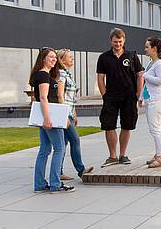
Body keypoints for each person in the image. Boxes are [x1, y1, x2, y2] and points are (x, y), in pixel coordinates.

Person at [97, 28, 144, 168]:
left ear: (124, 41)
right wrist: (104, 94)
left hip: (129, 96)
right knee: (108, 125)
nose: (117, 44)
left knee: (127, 125)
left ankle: (123, 155)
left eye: (120, 41)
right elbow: (100, 78)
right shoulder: (104, 57)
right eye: (115, 41)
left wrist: (139, 93)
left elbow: (140, 75)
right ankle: (112, 156)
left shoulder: (131, 56)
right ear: (110, 41)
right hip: (111, 96)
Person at [30, 47, 75, 193]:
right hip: (50, 117)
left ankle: (39, 184)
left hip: (48, 116)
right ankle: (55, 184)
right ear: (43, 59)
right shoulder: (43, 75)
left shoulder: (44, 75)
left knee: (45, 149)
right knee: (59, 148)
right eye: (50, 57)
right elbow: (43, 98)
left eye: (55, 57)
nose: (54, 59)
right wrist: (48, 118)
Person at [56, 49, 93, 180]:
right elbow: (60, 96)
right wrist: (65, 116)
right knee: (75, 140)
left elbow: (71, 98)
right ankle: (81, 170)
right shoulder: (61, 75)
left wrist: (75, 114)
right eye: (69, 57)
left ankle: (59, 172)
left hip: (70, 113)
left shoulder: (68, 74)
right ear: (61, 59)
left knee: (64, 143)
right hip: (65, 114)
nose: (72, 59)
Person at [138, 37, 161, 168]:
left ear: (154, 48)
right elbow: (147, 84)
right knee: (154, 129)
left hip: (157, 101)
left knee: (156, 129)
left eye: (147, 47)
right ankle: (158, 154)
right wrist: (141, 96)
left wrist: (144, 75)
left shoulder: (160, 64)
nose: (145, 49)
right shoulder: (151, 63)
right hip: (150, 100)